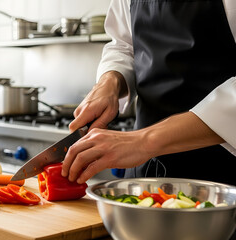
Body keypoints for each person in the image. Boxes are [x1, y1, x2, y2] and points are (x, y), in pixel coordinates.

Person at [61, 0, 236, 186]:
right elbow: (124, 45)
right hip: (145, 171)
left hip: (223, 177)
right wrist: (109, 82)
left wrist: (144, 141)